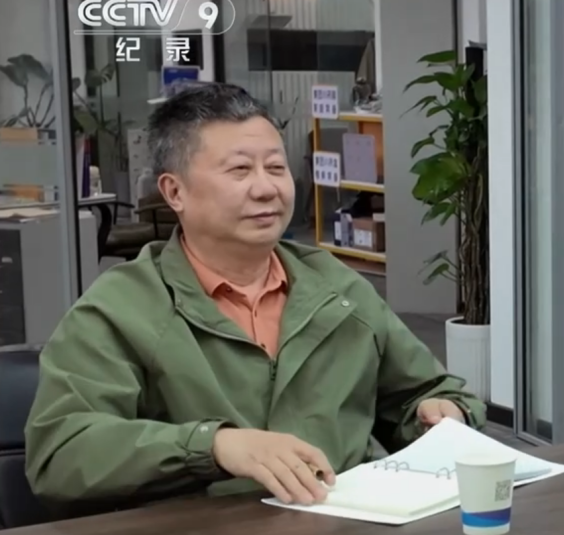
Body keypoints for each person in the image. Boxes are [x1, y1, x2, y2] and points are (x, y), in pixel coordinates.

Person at [24, 83, 486, 510]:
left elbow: (425, 392)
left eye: (276, 168)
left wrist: (440, 413)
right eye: (240, 170)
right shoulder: (121, 308)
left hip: (347, 519)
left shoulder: (335, 287)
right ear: (174, 191)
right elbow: (61, 453)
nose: (266, 189)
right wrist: (214, 446)